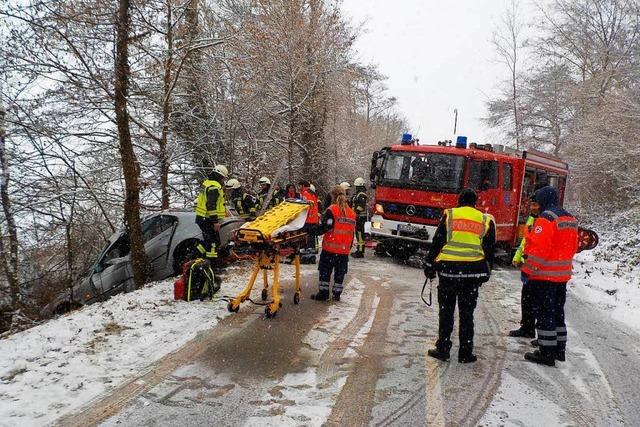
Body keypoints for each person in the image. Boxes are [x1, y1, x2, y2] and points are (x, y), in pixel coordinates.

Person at [424, 188, 496, 363]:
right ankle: (465, 352)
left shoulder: (450, 215)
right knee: (467, 313)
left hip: (448, 272)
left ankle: (443, 348)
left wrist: (429, 264)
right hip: (471, 275)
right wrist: (487, 271)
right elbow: (489, 250)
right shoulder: (485, 219)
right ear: (475, 203)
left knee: (446, 312)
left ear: (459, 201)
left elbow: (438, 241)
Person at [522, 186, 578, 366]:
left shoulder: (546, 219)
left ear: (544, 200)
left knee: (545, 313)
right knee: (557, 312)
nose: (535, 207)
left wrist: (527, 269)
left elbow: (540, 250)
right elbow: (573, 246)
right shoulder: (569, 219)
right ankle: (558, 348)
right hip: (562, 276)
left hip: (544, 276)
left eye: (537, 202)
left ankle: (546, 352)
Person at [311, 185, 356, 302]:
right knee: (340, 273)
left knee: (325, 271)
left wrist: (311, 231)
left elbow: (325, 227)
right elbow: (351, 233)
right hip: (343, 251)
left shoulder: (332, 210)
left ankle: (323, 293)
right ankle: (336, 294)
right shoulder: (351, 213)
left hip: (330, 249)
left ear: (333, 196)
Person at [508, 195, 541, 338]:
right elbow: (525, 242)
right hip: (527, 266)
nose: (533, 208)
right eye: (531, 204)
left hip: (536, 269)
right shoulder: (532, 219)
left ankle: (532, 329)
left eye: (535, 205)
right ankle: (527, 327)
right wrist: (517, 257)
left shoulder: (543, 222)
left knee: (534, 300)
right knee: (526, 298)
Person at [194, 165, 228, 266]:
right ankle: (211, 265)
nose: (223, 181)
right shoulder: (214, 187)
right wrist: (215, 222)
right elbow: (211, 206)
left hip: (203, 218)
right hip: (208, 219)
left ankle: (198, 254)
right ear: (219, 176)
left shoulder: (208, 184)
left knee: (210, 241)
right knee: (213, 243)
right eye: (223, 178)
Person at [299, 180, 319, 254]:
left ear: (303, 186)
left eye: (300, 185)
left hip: (308, 218)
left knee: (307, 234)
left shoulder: (305, 193)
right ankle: (311, 248)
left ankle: (308, 249)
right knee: (312, 235)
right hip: (313, 218)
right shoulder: (312, 193)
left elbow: (307, 205)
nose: (299, 187)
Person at [350, 177, 368, 258]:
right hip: (358, 217)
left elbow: (361, 206)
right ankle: (360, 250)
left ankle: (360, 251)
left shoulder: (361, 194)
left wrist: (356, 213)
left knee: (360, 234)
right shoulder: (358, 194)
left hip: (360, 217)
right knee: (359, 233)